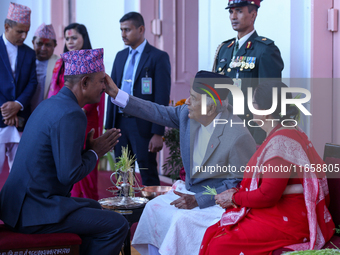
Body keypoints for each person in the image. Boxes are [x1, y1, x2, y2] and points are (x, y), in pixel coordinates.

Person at [105, 70, 256, 255]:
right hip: (189, 191)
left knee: (179, 221)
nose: (186, 102)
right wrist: (116, 94)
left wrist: (198, 200)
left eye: (193, 97)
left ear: (210, 107)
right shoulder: (187, 115)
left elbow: (237, 184)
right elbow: (155, 111)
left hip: (217, 202)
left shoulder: (237, 135)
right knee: (154, 209)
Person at [0, 48, 129, 255]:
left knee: (95, 208)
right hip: (35, 210)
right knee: (117, 224)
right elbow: (68, 175)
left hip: (17, 206)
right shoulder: (72, 114)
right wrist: (95, 152)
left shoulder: (49, 105)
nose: (104, 87)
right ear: (85, 82)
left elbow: (54, 162)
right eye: (101, 81)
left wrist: (87, 150)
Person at [199, 81, 335, 255]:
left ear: (266, 111)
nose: (251, 108)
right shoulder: (282, 132)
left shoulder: (281, 142)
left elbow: (268, 195)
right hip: (282, 208)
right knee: (215, 232)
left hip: (289, 217)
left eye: (253, 104)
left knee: (221, 244)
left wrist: (235, 197)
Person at [105, 12, 171, 186]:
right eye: (121, 30)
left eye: (127, 29)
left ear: (141, 29)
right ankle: (124, 210)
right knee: (122, 174)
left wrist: (158, 132)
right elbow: (111, 91)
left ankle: (152, 211)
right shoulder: (120, 56)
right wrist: (109, 128)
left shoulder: (158, 57)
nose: (123, 34)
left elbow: (161, 97)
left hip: (144, 124)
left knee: (147, 172)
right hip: (120, 123)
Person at [213, 0, 284, 145]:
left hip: (249, 132)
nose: (233, 16)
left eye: (239, 11)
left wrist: (260, 138)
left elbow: (269, 99)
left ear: (253, 15)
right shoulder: (224, 49)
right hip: (223, 129)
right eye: (231, 12)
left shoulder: (265, 49)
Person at [48, 23, 104, 200]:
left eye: (74, 37)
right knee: (67, 160)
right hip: (64, 119)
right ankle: (70, 203)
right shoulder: (60, 62)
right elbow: (54, 90)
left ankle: (89, 203)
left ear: (83, 38)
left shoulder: (93, 60)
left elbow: (98, 92)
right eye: (67, 38)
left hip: (86, 120)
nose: (70, 41)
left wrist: (73, 110)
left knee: (86, 164)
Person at [0, 2, 37, 174]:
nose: (24, 36)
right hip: (2, 117)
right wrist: (6, 109)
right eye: (20, 31)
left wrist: (18, 104)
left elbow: (32, 82)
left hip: (21, 119)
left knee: (20, 172)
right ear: (7, 27)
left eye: (27, 32)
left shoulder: (29, 53)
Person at [30, 23, 59, 112]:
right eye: (39, 43)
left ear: (54, 46)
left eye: (48, 45)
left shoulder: (59, 64)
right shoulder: (25, 60)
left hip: (49, 113)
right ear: (33, 43)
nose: (43, 48)